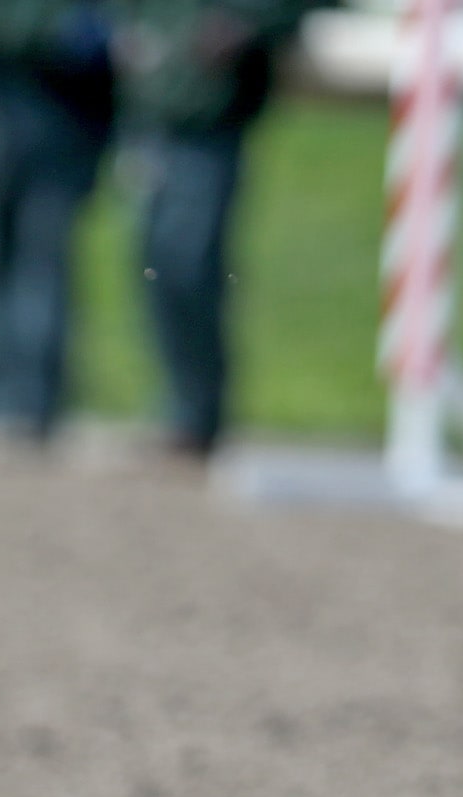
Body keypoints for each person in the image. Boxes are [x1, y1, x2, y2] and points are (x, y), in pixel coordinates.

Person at [114, 0, 321, 459]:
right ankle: (180, 412)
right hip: (152, 119)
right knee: (157, 267)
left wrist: (247, 26)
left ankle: (196, 418)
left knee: (189, 264)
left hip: (211, 121)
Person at [0, 0, 117, 444]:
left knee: (39, 263)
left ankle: (29, 402)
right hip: (17, 114)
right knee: (9, 260)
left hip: (58, 122)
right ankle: (7, 397)